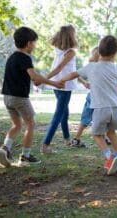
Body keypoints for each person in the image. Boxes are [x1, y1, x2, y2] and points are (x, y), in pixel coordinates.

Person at [61, 35, 117, 175]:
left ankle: (109, 157)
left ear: (99, 51)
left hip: (100, 108)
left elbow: (73, 74)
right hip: (116, 109)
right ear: (115, 54)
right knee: (110, 132)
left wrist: (61, 80)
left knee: (96, 134)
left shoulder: (91, 67)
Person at [0, 26, 64, 167]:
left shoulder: (12, 57)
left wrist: (38, 81)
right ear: (28, 44)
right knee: (31, 124)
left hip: (7, 97)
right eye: (34, 42)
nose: (35, 45)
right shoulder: (25, 58)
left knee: (17, 124)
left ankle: (5, 148)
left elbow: (29, 78)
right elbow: (34, 76)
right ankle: (25, 157)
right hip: (19, 98)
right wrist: (54, 83)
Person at [40, 25, 78, 154]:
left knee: (64, 113)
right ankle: (45, 145)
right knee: (58, 115)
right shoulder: (70, 52)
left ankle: (67, 139)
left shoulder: (58, 50)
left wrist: (46, 79)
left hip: (57, 84)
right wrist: (43, 78)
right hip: (64, 85)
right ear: (71, 36)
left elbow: (71, 69)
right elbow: (59, 68)